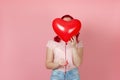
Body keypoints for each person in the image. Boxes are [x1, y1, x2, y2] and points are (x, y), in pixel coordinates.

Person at [46, 15, 84, 80]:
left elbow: (77, 64)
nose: (66, 26)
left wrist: (74, 47)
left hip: (73, 74)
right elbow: (48, 64)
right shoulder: (52, 43)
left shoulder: (79, 44)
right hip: (57, 75)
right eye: (64, 23)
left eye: (69, 23)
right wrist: (58, 64)